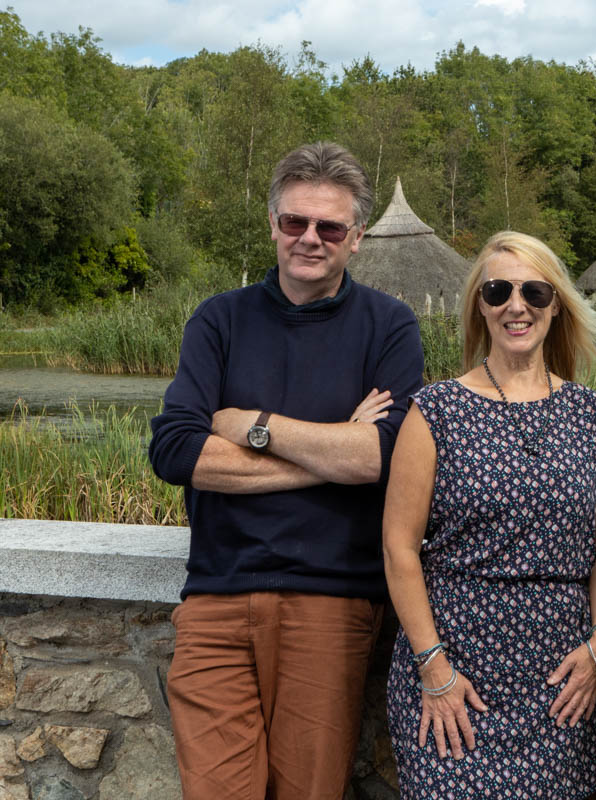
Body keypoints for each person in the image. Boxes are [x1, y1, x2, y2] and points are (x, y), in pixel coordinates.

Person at [148, 141, 424, 799]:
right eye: (294, 222)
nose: (309, 238)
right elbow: (177, 453)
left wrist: (253, 426)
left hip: (331, 601)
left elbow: (386, 457)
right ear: (273, 224)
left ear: (356, 237)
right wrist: (334, 455)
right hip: (215, 597)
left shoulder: (389, 326)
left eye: (329, 227)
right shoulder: (219, 320)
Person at [382, 231, 596, 799]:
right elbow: (398, 547)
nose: (517, 305)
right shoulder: (435, 411)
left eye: (535, 291)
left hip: (565, 683)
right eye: (498, 290)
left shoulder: (592, 415)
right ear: (479, 305)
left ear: (556, 303)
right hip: (455, 677)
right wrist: (432, 668)